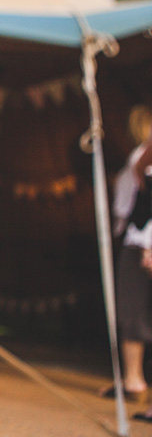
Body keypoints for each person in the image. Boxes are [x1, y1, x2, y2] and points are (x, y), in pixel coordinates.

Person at [102, 105, 152, 412]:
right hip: (138, 241)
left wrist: (149, 244)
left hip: (144, 244)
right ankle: (133, 380)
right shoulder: (141, 156)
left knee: (136, 310)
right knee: (132, 312)